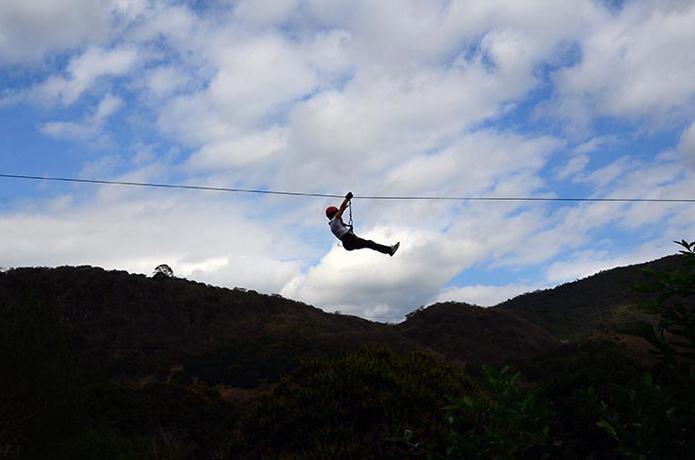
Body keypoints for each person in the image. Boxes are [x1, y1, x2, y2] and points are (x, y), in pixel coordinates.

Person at [326, 192, 400, 256]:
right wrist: (347, 198)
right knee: (370, 244)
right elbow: (341, 208)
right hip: (349, 239)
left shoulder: (332, 225)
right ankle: (390, 250)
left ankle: (389, 250)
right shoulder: (336, 219)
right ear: (334, 213)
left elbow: (341, 214)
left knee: (369, 244)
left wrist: (344, 209)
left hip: (348, 243)